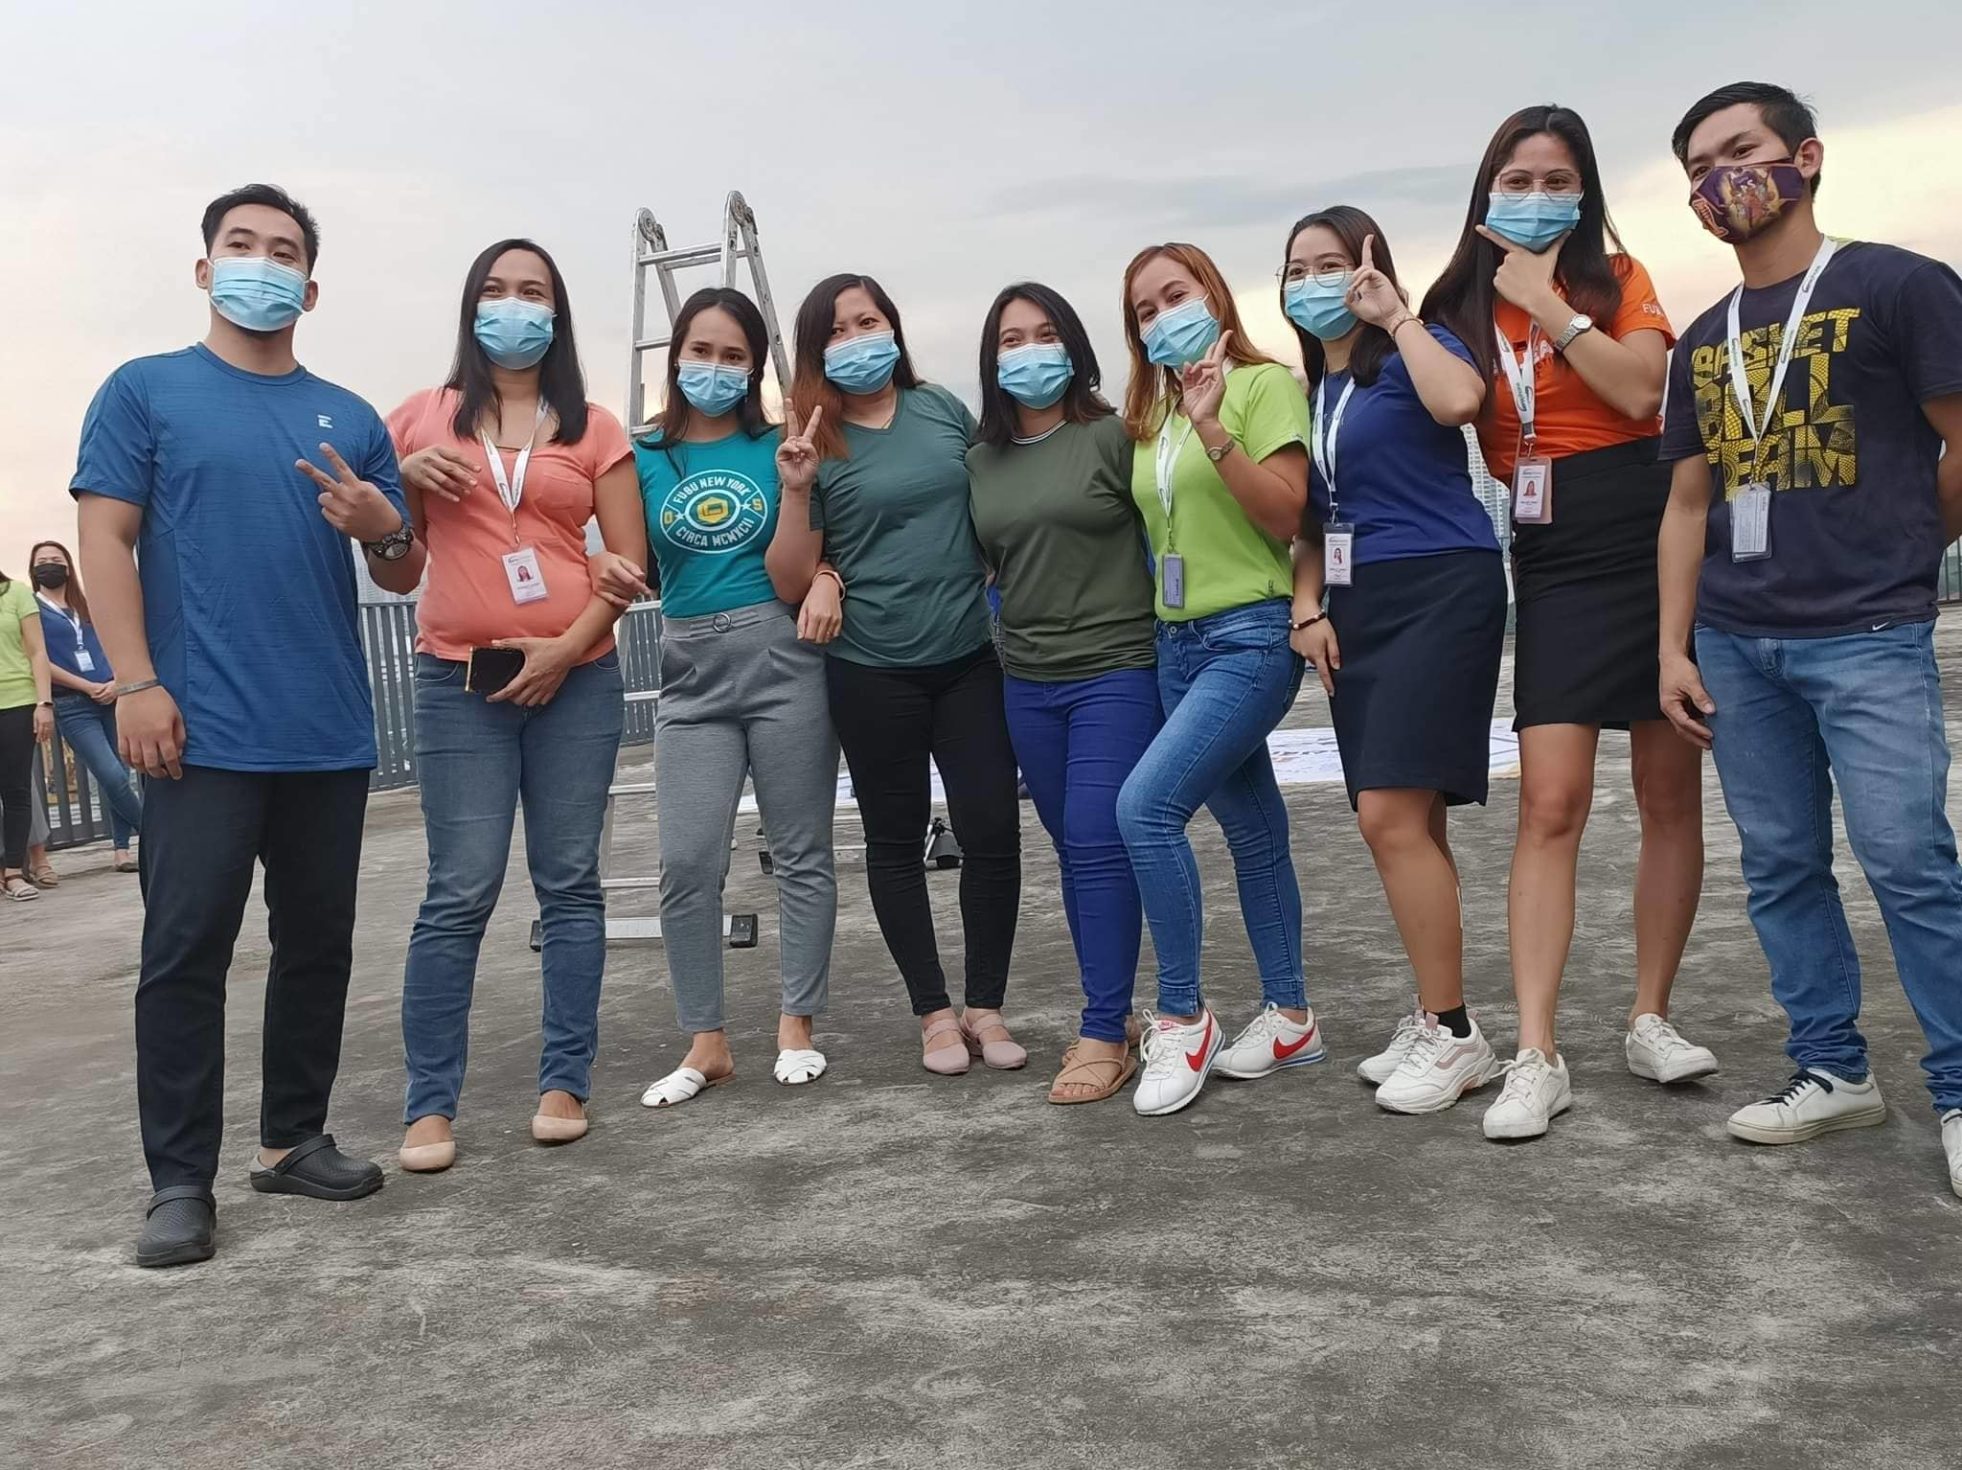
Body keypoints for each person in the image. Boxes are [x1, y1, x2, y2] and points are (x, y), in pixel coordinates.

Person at [74, 184, 423, 1268]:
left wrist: (385, 526)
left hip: (326, 726)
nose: (261, 264)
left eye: (283, 252)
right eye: (242, 245)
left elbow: (401, 568)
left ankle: (291, 1140)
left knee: (317, 944)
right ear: (204, 268)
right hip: (198, 730)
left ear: (310, 289)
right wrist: (136, 683)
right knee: (185, 952)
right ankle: (180, 1182)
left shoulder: (350, 417)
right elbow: (104, 539)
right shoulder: (145, 391)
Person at [1658, 82, 1962, 1198]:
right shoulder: (1704, 338)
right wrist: (1674, 647)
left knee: (1907, 862)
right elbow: (1688, 504)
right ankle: (1832, 1068)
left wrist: (1909, 547)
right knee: (1782, 867)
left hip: (1868, 632)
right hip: (1739, 645)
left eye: (1739, 150)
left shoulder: (1898, 285)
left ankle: (1960, 1087)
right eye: (1699, 168)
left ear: (1807, 156)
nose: (1719, 179)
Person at [1421, 106, 1713, 1139]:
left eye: (1557, 179)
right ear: (1486, 190)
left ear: (1585, 191)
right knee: (1550, 800)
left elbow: (1641, 392)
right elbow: (1439, 404)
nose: (1537, 195)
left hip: (1651, 528)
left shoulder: (1617, 278)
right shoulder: (1454, 302)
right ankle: (1537, 1052)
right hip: (1548, 554)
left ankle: (1650, 1017)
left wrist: (1547, 304)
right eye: (1518, 178)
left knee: (1669, 791)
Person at [387, 239, 642, 1172]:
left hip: (578, 677)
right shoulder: (420, 416)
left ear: (557, 312)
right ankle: (429, 1106)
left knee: (570, 883)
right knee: (458, 890)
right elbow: (398, 566)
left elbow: (628, 565)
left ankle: (564, 1082)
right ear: (470, 307)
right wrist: (399, 485)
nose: (514, 306)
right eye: (496, 290)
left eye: (533, 291)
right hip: (460, 682)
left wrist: (565, 650)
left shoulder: (596, 427)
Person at [1280, 208, 1510, 1117]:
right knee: (1413, 818)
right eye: (1296, 268)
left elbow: (1461, 404)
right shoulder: (1309, 392)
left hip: (1440, 585)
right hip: (1357, 603)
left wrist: (1397, 316)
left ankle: (1454, 1033)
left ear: (1368, 267)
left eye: (1331, 264)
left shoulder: (1418, 346)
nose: (1313, 282)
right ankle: (1435, 1012)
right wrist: (1306, 607)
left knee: (1387, 816)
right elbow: (1310, 520)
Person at [770, 273, 1024, 1076]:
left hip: (969, 658)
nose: (855, 340)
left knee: (991, 827)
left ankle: (986, 1004)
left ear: (893, 327)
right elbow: (789, 577)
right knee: (894, 840)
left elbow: (995, 503)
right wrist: (800, 501)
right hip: (871, 668)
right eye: (836, 332)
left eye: (867, 321)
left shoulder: (941, 408)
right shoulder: (816, 438)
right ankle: (934, 1014)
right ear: (815, 352)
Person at [616, 287, 841, 1107]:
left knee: (800, 851)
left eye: (733, 356)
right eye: (701, 351)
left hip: (781, 656)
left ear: (754, 369)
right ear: (675, 356)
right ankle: (706, 1042)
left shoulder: (781, 445)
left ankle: (796, 1025)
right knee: (686, 861)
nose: (715, 367)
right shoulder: (641, 453)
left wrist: (799, 500)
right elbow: (631, 562)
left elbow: (801, 567)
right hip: (690, 671)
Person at [1115, 242, 1315, 1117]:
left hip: (1250, 636)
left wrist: (1212, 427)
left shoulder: (1261, 386)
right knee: (1253, 829)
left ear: (1213, 294)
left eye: (1175, 295)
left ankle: (1183, 1015)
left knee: (1145, 809)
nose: (1163, 317)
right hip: (1177, 642)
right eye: (1144, 310)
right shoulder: (1150, 413)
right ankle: (1292, 1015)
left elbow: (1286, 515)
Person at [967, 282, 1159, 1104]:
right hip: (1028, 681)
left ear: (1074, 347)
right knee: (1074, 852)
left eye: (1044, 334)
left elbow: (1167, 530)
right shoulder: (980, 462)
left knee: (1095, 838)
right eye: (1010, 340)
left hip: (1117, 668)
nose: (1028, 352)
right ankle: (1119, 1015)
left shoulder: (1114, 436)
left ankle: (1102, 1029)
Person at [28, 540, 142, 872]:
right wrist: (86, 686)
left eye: (56, 559)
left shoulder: (87, 605)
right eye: (42, 561)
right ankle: (156, 834)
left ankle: (122, 850)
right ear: (33, 569)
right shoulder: (33, 609)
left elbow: (115, 643)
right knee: (111, 774)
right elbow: (39, 659)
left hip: (112, 697)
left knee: (122, 773)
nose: (50, 565)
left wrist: (117, 681)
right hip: (73, 703)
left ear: (68, 566)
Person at [0, 565, 53, 902]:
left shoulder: (17, 593)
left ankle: (14, 872)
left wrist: (44, 702)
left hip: (17, 702)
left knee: (16, 790)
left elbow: (37, 651)